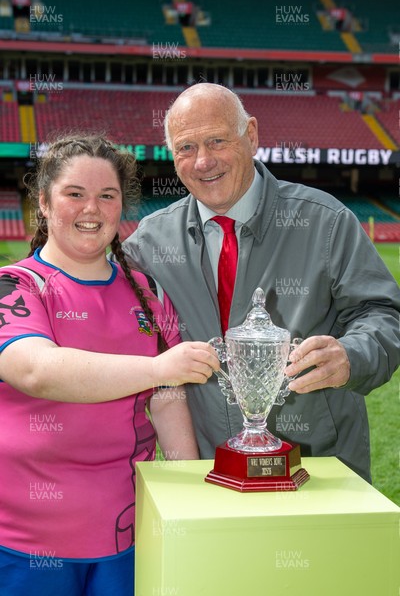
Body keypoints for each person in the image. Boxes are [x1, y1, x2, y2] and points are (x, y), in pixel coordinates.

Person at [122, 82, 400, 484]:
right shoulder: (149, 244)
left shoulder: (325, 221)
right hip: (207, 472)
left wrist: (352, 354)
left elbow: (383, 313)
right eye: (186, 148)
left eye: (217, 140)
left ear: (251, 136)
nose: (202, 161)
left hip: (319, 469)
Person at [0, 134, 219, 596]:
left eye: (107, 196)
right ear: (43, 202)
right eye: (74, 194)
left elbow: (167, 400)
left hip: (125, 535)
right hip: (23, 542)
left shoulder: (144, 290)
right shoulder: (16, 286)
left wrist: (188, 495)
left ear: (123, 207)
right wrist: (162, 367)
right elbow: (36, 370)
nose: (92, 209)